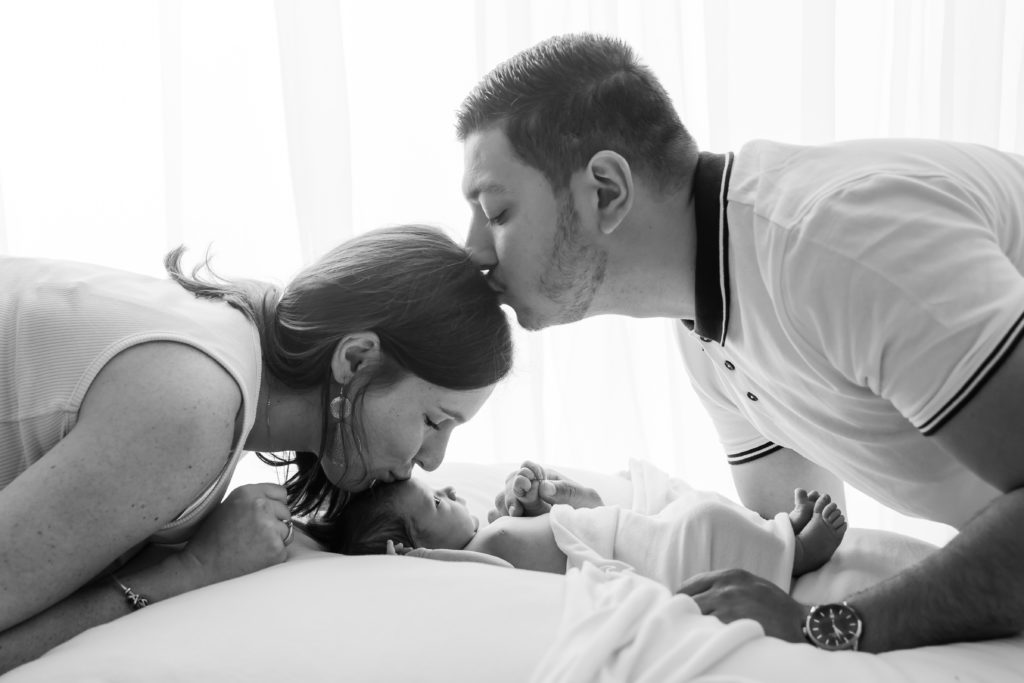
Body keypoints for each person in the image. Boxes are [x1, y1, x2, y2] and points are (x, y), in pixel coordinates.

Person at [456, 32, 1024, 652]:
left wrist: (828, 626)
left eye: (496, 211)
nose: (472, 250)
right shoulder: (704, 315)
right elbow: (791, 534)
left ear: (606, 192)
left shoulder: (837, 244)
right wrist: (596, 527)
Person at [0, 224, 512, 672]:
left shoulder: (239, 338)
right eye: (434, 421)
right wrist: (190, 572)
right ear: (355, 360)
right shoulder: (194, 407)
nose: (433, 460)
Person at [312, 464, 848, 590]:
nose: (451, 491)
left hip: (629, 526)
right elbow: (493, 573)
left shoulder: (498, 525)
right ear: (412, 547)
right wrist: (425, 563)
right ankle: (792, 555)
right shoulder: (486, 552)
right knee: (702, 522)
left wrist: (542, 495)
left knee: (701, 510)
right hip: (641, 552)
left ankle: (778, 531)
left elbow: (567, 522)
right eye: (435, 501)